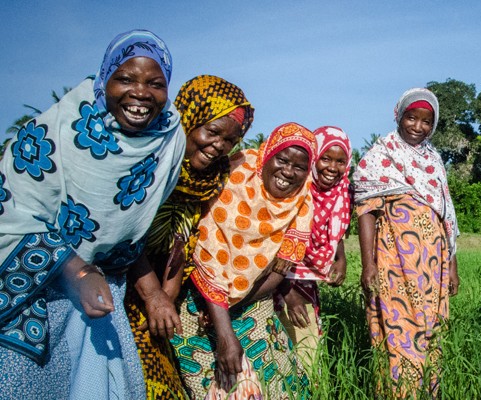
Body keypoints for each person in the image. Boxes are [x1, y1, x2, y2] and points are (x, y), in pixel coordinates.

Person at [0, 30, 186, 399]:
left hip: (102, 300)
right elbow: (10, 213)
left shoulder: (167, 141)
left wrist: (151, 295)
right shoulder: (55, 132)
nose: (141, 93)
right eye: (126, 78)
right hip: (35, 296)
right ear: (104, 79)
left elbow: (130, 237)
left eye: (155, 83)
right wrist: (78, 271)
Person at [124, 75, 254, 400]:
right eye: (212, 132)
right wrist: (154, 296)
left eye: (230, 140)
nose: (219, 147)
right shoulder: (147, 161)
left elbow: (184, 244)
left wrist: (166, 296)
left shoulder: (209, 178)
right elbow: (125, 233)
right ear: (188, 120)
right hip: (114, 281)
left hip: (158, 289)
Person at [171, 122, 316, 399]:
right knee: (213, 386)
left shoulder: (301, 202)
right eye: (282, 159)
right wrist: (223, 328)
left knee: (275, 384)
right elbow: (206, 253)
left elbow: (279, 271)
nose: (288, 172)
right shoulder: (235, 178)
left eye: (299, 167)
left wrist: (234, 303)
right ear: (266, 155)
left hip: (253, 302)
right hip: (198, 306)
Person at [352, 88, 460, 398]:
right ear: (399, 116)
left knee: (432, 327)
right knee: (399, 324)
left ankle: (430, 391)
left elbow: (446, 214)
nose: (418, 126)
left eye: (426, 121)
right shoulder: (381, 155)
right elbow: (366, 211)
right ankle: (400, 393)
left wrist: (452, 265)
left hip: (434, 263)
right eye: (411, 118)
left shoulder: (434, 160)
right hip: (395, 258)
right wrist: (368, 264)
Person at [275, 125, 351, 363]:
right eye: (325, 158)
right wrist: (288, 293)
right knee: (280, 349)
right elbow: (272, 243)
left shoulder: (341, 192)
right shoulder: (294, 187)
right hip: (272, 281)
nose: (332, 168)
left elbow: (335, 231)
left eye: (340, 161)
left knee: (307, 351)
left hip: (306, 283)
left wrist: (340, 258)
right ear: (314, 158)